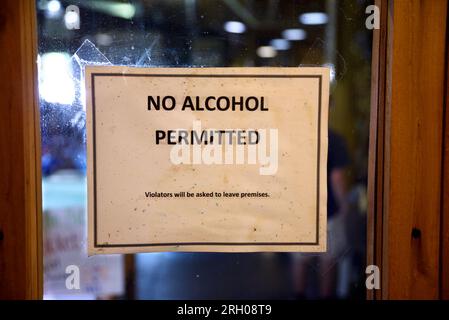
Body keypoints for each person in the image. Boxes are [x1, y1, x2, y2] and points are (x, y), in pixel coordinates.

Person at [291, 128, 350, 299]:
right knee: (327, 258)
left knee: (300, 257)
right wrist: (344, 205)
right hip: (328, 211)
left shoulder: (296, 136)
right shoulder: (334, 138)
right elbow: (337, 177)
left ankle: (298, 296)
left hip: (301, 208)